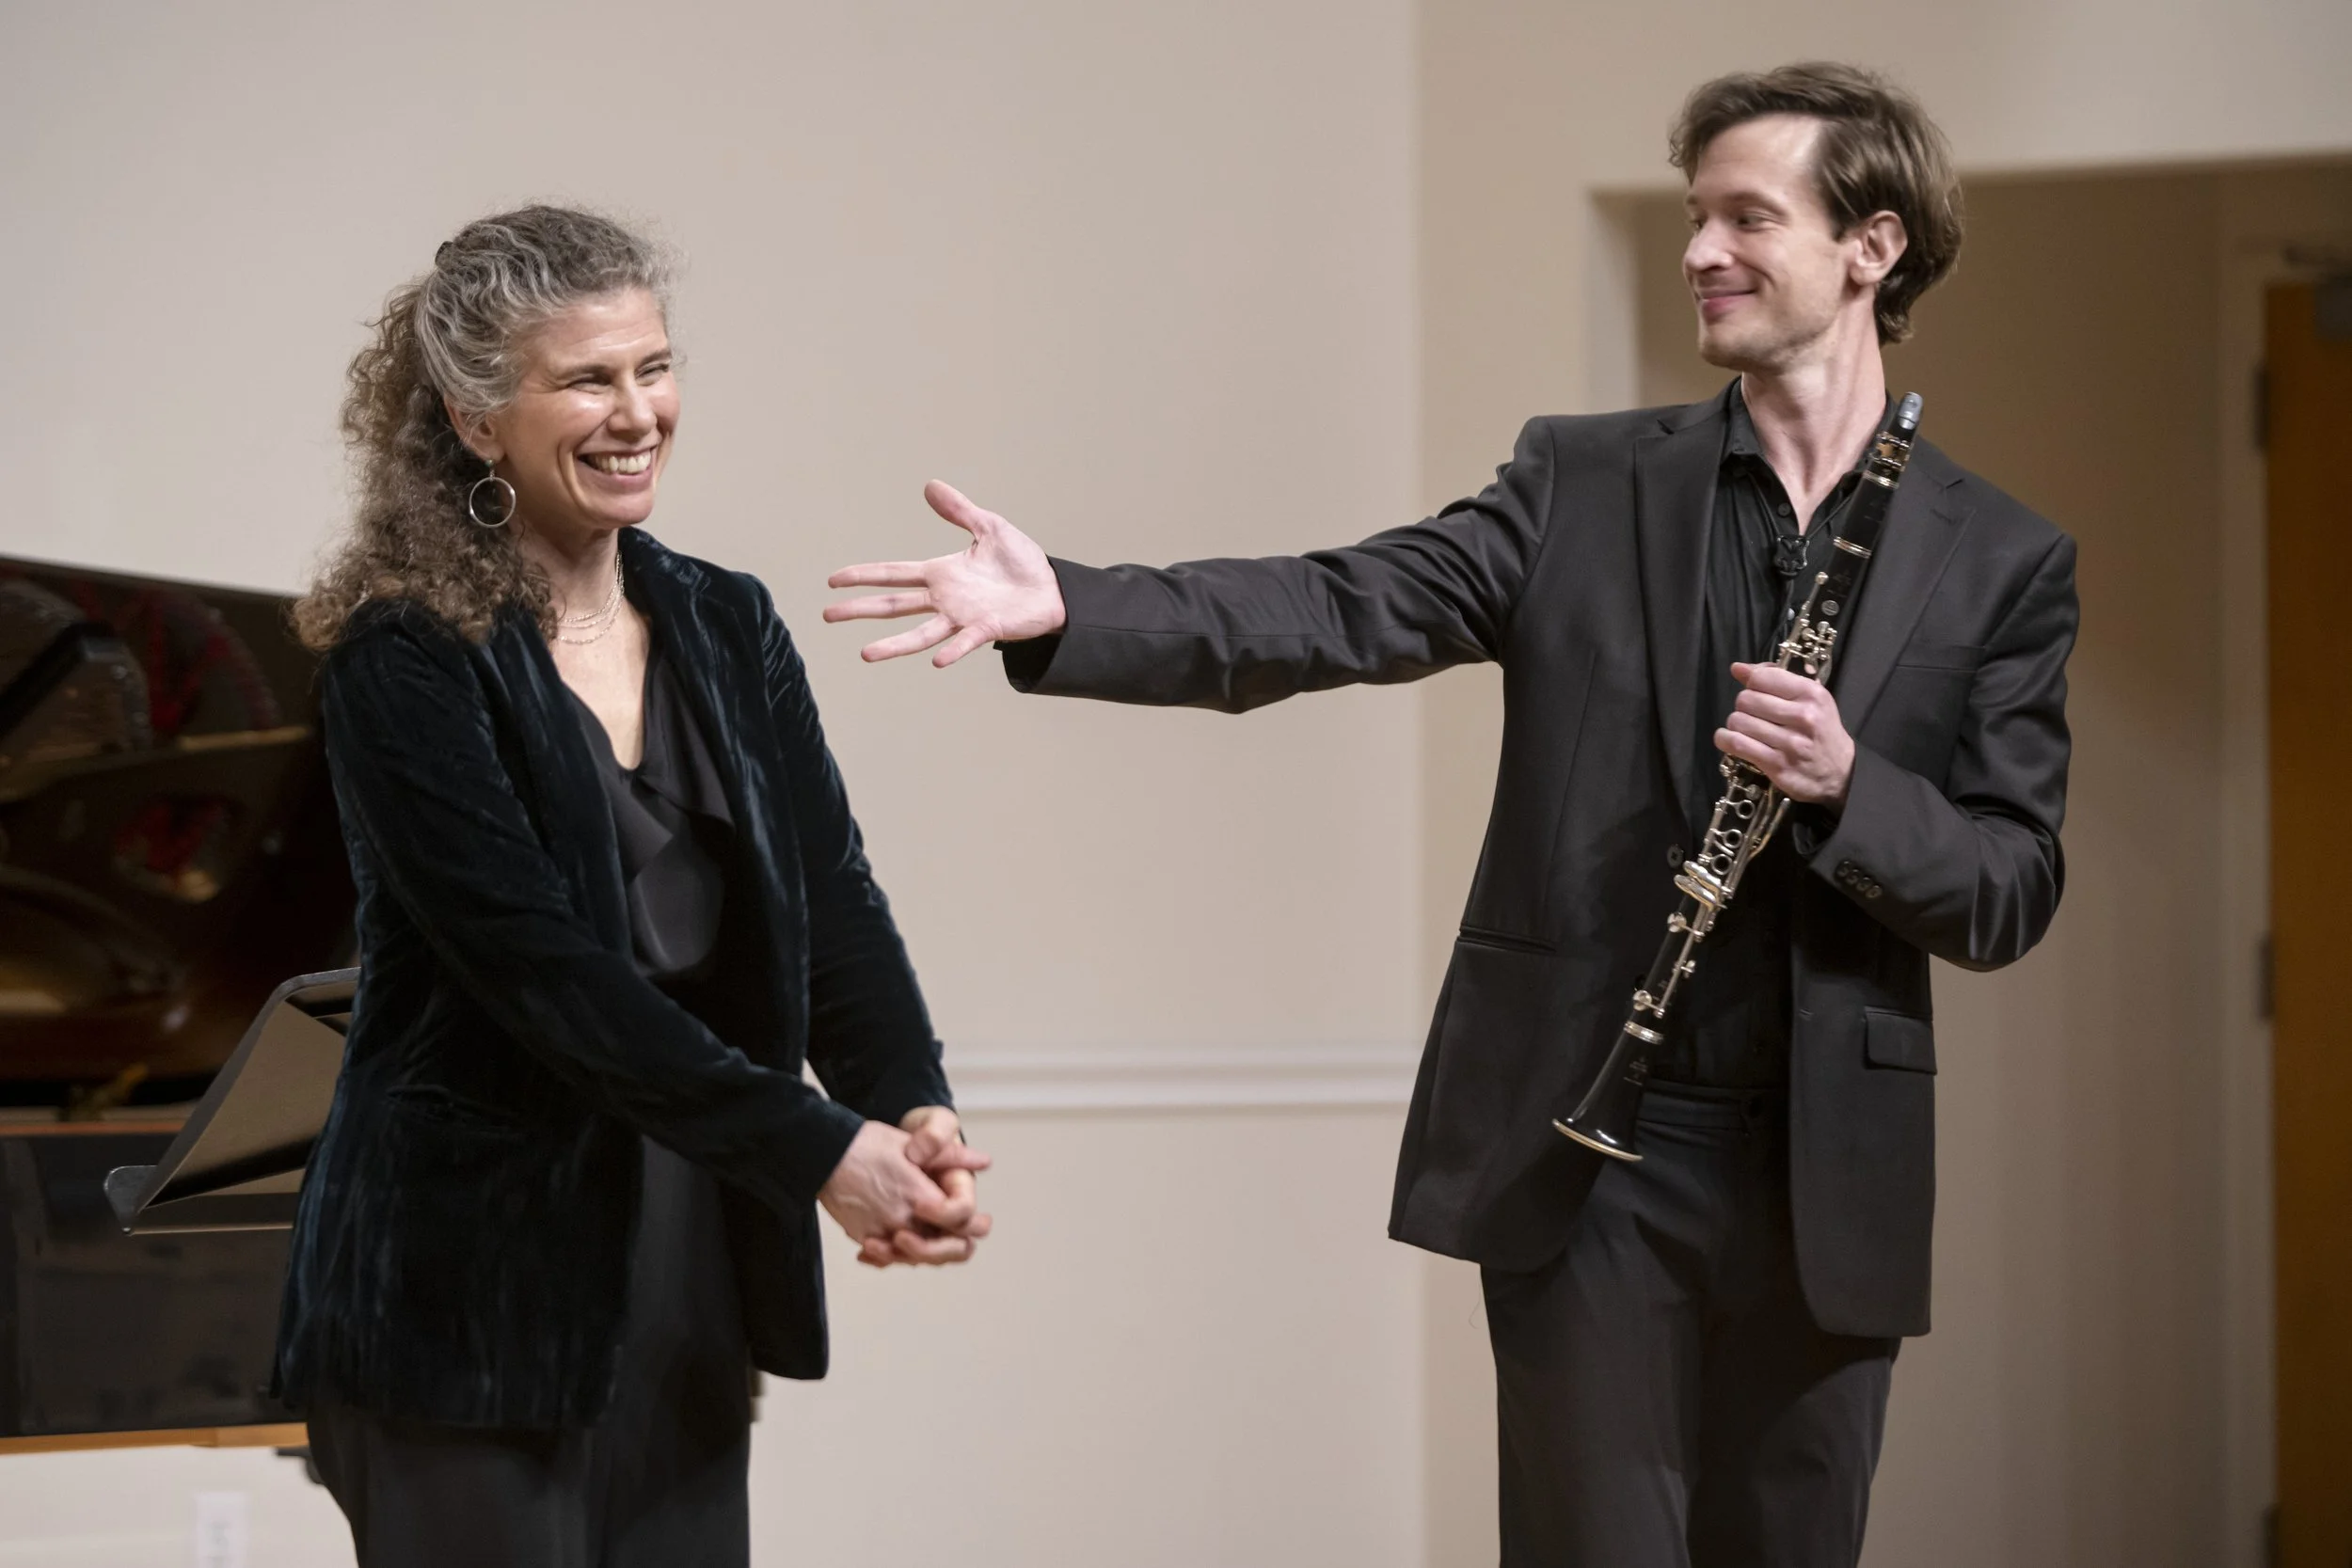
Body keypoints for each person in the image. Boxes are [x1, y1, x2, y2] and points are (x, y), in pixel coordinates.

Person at [827, 64, 2075, 1567]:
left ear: (1870, 247)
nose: (1701, 250)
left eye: (1749, 215)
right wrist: (1069, 605)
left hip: (1831, 1178)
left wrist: (1851, 784)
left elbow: (2009, 882)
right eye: (1695, 216)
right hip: (1590, 1152)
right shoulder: (1585, 480)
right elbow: (1341, 604)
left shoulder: (2002, 558)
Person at [278, 205, 990, 1568]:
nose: (636, 412)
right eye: (587, 379)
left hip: (688, 1252)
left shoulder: (726, 618)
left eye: (654, 367)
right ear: (477, 421)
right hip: (458, 1285)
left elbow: (830, 897)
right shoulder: (404, 659)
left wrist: (909, 1100)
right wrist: (818, 1147)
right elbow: (546, 974)